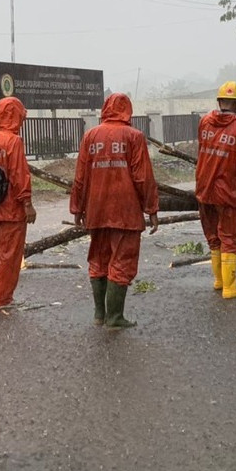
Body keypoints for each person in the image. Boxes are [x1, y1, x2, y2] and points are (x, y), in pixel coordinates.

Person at [71, 93, 159, 329]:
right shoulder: (134, 136)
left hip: (96, 209)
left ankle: (100, 314)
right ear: (127, 110)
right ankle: (115, 317)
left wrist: (77, 208)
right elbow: (143, 177)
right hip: (125, 211)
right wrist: (151, 209)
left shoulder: (91, 136)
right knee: (122, 261)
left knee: (98, 259)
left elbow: (81, 176)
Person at [195, 81, 236, 299]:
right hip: (228, 191)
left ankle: (218, 281)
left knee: (213, 235)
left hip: (204, 188)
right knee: (230, 236)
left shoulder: (205, 122)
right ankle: (229, 288)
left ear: (220, 101)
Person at [0, 96, 37, 314]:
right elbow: (19, 174)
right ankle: (2, 298)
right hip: (11, 210)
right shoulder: (13, 142)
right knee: (9, 256)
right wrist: (27, 203)